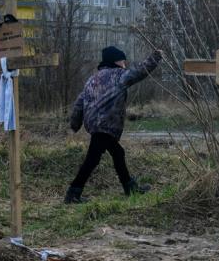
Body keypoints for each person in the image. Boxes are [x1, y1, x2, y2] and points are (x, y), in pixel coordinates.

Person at [64, 46, 163, 203]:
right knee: (93, 159)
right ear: (115, 61)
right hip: (105, 125)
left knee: (118, 153)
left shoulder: (92, 79)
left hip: (95, 125)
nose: (125, 62)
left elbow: (79, 102)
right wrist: (156, 57)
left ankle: (129, 187)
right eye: (122, 60)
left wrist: (75, 124)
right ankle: (73, 193)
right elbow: (140, 72)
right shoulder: (119, 76)